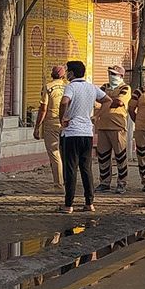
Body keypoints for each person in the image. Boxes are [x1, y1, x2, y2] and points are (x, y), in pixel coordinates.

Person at [59, 60, 113, 213]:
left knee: (70, 169)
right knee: (86, 168)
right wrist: (97, 117)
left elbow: (64, 102)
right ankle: (90, 203)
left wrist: (61, 118)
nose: (66, 73)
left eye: (68, 70)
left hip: (71, 133)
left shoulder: (71, 87)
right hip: (87, 133)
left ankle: (68, 204)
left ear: (72, 73)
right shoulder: (91, 87)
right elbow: (107, 100)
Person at [94, 64, 132, 194]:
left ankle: (122, 183)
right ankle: (104, 182)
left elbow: (119, 102)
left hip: (117, 126)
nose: (111, 76)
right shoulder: (104, 86)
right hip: (103, 126)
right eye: (110, 73)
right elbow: (97, 98)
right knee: (103, 156)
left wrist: (106, 101)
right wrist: (108, 101)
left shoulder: (125, 88)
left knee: (120, 156)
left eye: (114, 74)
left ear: (121, 76)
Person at [35, 65, 68, 190]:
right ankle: (66, 181)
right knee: (64, 154)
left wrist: (37, 126)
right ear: (63, 76)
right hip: (65, 123)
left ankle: (58, 185)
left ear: (52, 74)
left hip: (51, 123)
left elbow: (43, 109)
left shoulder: (48, 87)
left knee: (54, 154)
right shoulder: (67, 87)